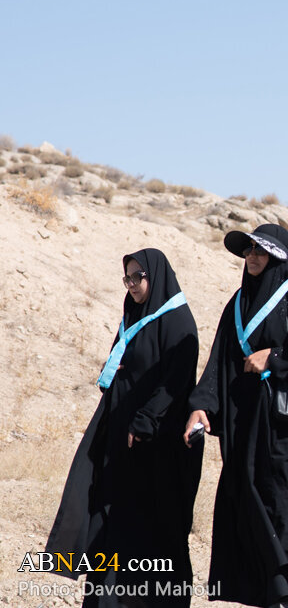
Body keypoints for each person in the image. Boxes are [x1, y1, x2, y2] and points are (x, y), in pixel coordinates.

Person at [185, 224, 288, 608]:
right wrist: (202, 406)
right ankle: (268, 596)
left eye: (260, 251)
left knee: (281, 508)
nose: (252, 256)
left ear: (278, 257)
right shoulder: (238, 303)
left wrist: (274, 358)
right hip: (245, 426)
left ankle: (285, 594)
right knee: (247, 506)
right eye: (249, 250)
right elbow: (219, 362)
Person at [46, 249, 202, 606]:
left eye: (138, 277)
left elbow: (175, 383)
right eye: (127, 278)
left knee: (147, 524)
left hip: (155, 445)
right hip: (120, 435)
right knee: (109, 516)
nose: (131, 285)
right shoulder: (133, 314)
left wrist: (146, 419)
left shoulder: (178, 323)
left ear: (155, 277)